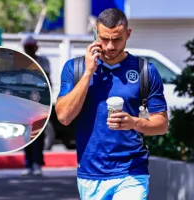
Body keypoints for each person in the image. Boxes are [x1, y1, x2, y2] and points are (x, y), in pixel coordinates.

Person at [55, 8, 168, 200]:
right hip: (91, 174)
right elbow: (64, 117)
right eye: (104, 39)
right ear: (95, 34)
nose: (109, 46)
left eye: (117, 39)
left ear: (128, 34)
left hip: (132, 172)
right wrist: (89, 72)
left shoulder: (145, 71)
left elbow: (161, 125)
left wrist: (134, 123)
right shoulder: (75, 68)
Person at [21, 35, 51, 176]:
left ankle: (37, 163)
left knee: (38, 135)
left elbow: (46, 79)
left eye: (31, 47)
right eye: (27, 47)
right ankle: (28, 163)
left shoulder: (42, 61)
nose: (29, 50)